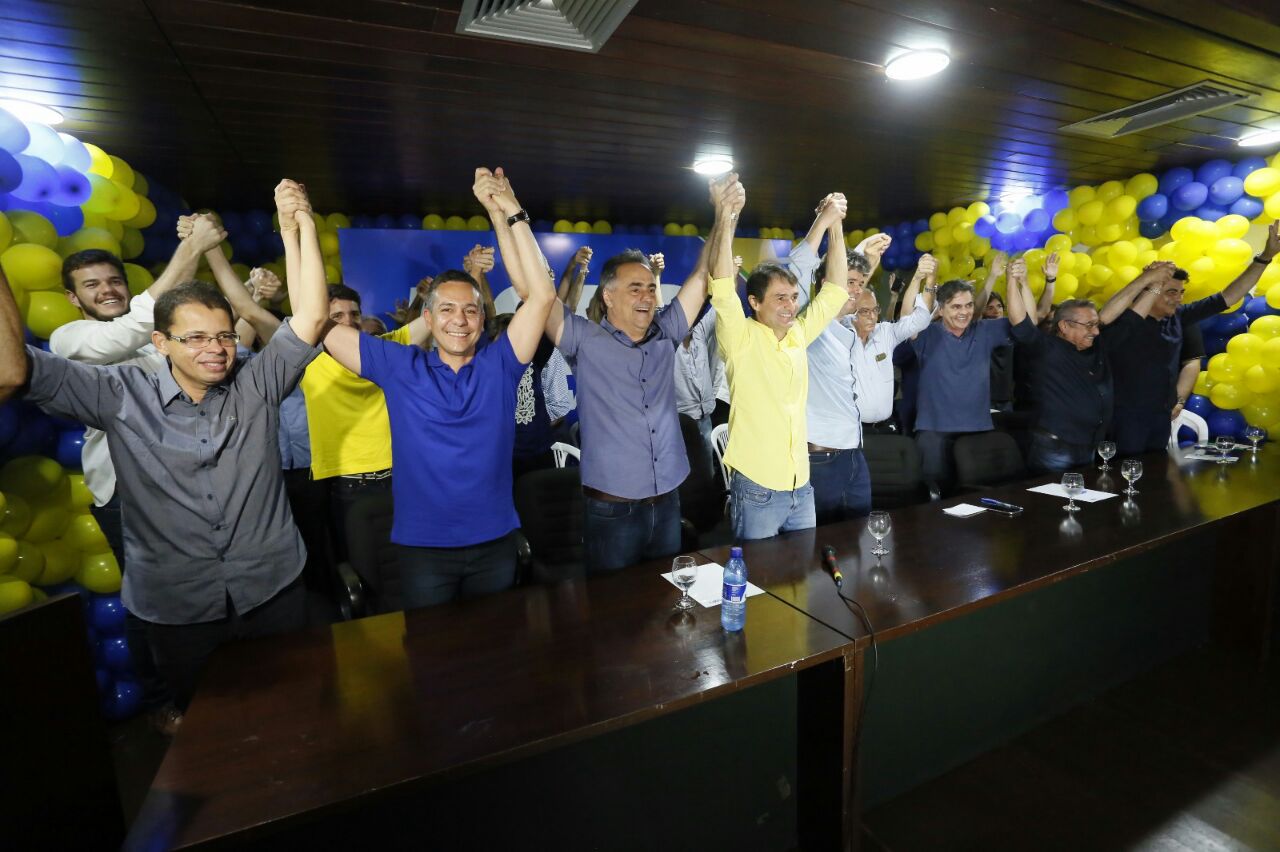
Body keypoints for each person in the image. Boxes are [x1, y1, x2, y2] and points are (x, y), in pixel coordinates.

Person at [8, 179, 328, 713]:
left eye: (224, 337)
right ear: (161, 344)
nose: (216, 349)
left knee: (299, 710)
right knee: (211, 732)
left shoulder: (256, 385)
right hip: (179, 610)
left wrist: (304, 226)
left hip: (274, 593)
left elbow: (311, 319)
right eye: (196, 338)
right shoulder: (118, 394)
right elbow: (17, 368)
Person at [51, 215, 272, 731]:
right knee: (148, 598)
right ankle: (164, 701)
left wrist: (246, 305)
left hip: (183, 488)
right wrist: (191, 249)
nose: (106, 290)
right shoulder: (71, 338)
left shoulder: (156, 342)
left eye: (113, 281)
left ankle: (226, 691)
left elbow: (209, 357)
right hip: (124, 496)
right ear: (72, 298)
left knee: (201, 591)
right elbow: (125, 334)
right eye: (92, 285)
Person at [319, 167, 555, 607]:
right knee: (432, 664)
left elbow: (541, 295)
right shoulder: (399, 365)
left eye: (470, 311)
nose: (459, 320)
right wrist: (299, 231)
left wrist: (508, 211)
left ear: (482, 318)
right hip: (423, 551)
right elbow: (316, 321)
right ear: (427, 319)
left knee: (498, 652)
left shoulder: (500, 365)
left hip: (496, 542)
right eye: (446, 309)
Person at [547, 180, 734, 572]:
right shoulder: (584, 340)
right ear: (608, 296)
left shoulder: (666, 333)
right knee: (613, 617)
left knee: (664, 605)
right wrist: (509, 216)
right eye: (635, 288)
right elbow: (539, 296)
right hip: (611, 512)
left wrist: (721, 216)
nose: (647, 296)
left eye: (651, 287)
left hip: (667, 502)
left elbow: (701, 276)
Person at [710, 181, 849, 540]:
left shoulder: (799, 334)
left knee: (801, 582)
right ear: (754, 302)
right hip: (757, 489)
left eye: (793, 297)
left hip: (801, 486)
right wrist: (725, 217)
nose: (790, 306)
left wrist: (835, 226)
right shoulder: (739, 337)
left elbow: (835, 289)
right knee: (756, 585)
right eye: (780, 299)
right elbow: (723, 285)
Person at [1101, 221, 1278, 454]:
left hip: (1159, 417)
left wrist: (1265, 257)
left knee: (1152, 480)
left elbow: (1229, 296)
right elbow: (1104, 316)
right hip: (1121, 418)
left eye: (1181, 292)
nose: (1178, 298)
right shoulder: (1125, 320)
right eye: (1171, 292)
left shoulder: (1179, 317)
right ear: (1152, 291)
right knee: (1120, 477)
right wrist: (1150, 282)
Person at [298, 280, 432, 564]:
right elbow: (253, 313)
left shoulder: (384, 348)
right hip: (349, 488)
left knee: (413, 563)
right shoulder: (306, 359)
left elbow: (434, 320)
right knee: (365, 570)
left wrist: (471, 277)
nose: (349, 322)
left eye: (354, 314)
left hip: (402, 479)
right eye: (337, 316)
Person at [1005, 258, 1113, 472]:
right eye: (1089, 325)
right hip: (1055, 448)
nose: (1096, 331)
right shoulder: (1045, 348)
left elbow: (1114, 312)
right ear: (1064, 326)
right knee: (1051, 503)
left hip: (1089, 445)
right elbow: (1021, 320)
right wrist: (1011, 280)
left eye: (1096, 324)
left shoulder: (1094, 349)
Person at [911, 276, 1014, 489]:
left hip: (977, 429)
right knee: (934, 498)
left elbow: (1027, 321)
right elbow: (906, 319)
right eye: (956, 306)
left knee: (977, 497)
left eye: (968, 305)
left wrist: (1015, 281)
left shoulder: (985, 330)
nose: (964, 312)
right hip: (934, 433)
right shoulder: (924, 334)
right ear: (940, 310)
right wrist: (921, 277)